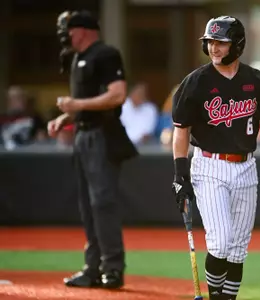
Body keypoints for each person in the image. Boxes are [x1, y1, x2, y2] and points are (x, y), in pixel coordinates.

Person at [171, 16, 260, 300]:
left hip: (245, 166)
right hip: (209, 165)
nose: (214, 48)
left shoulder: (257, 80)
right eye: (210, 42)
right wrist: (179, 174)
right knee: (220, 243)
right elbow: (181, 131)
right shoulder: (196, 82)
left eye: (220, 42)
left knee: (237, 249)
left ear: (237, 44)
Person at [47, 10, 138, 289]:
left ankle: (112, 267)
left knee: (102, 203)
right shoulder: (75, 59)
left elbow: (117, 94)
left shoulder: (105, 54)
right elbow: (85, 103)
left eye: (69, 30)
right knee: (87, 206)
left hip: (102, 136)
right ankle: (93, 267)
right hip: (83, 135)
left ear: (83, 30)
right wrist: (66, 117)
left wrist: (76, 106)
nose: (66, 36)